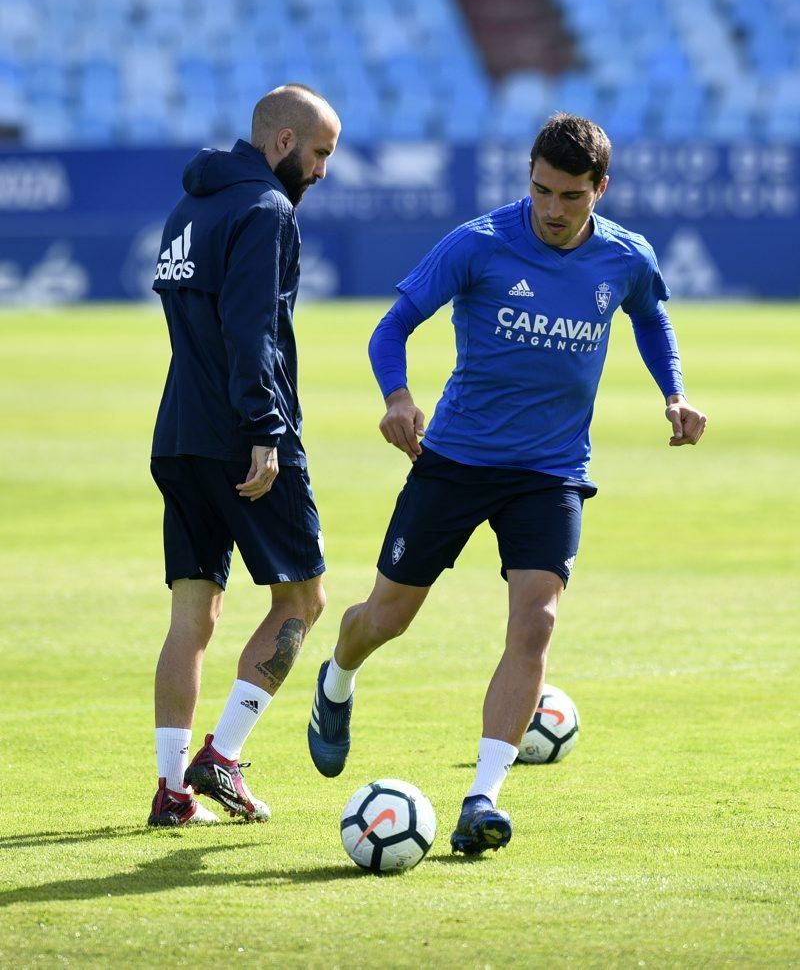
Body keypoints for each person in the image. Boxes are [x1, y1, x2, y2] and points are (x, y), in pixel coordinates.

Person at [306, 112, 706, 855]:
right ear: (527, 176)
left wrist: (673, 393)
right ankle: (336, 678)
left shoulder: (627, 257)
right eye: (541, 190)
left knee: (538, 622)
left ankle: (481, 799)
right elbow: (389, 328)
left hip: (552, 471)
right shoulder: (479, 243)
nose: (552, 210)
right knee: (386, 619)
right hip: (455, 461)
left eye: (571, 196)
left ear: (601, 189)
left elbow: (651, 317)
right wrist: (397, 397)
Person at [147, 84, 341, 827]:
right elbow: (252, 328)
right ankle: (221, 757)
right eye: (321, 153)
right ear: (284, 143)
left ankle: (172, 793)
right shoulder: (268, 210)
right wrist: (265, 426)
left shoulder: (187, 209)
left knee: (192, 613)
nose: (324, 170)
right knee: (303, 599)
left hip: (178, 434)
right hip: (245, 435)